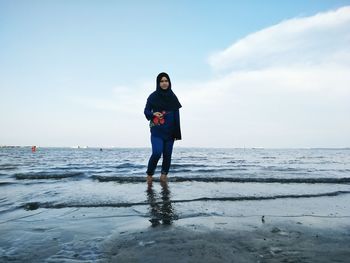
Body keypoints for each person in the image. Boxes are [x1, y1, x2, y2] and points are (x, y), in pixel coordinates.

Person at [144, 72, 182, 185]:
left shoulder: (173, 97)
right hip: (157, 131)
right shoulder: (152, 96)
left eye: (166, 81)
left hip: (170, 132)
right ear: (158, 83)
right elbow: (146, 111)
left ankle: (163, 178)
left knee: (167, 155)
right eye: (161, 81)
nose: (164, 83)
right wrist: (153, 114)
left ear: (169, 82)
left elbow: (177, 116)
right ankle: (149, 175)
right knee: (156, 152)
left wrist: (177, 133)